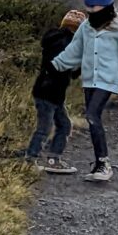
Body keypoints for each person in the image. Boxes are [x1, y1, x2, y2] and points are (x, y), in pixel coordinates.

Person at [53, 0, 118, 183]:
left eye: (94, 10)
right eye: (88, 10)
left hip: (109, 80)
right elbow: (74, 51)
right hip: (90, 80)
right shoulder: (86, 27)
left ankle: (104, 164)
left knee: (92, 114)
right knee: (92, 118)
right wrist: (54, 67)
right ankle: (99, 163)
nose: (90, 15)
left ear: (106, 8)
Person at [25, 9, 83, 169]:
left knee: (63, 125)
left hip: (51, 92)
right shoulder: (66, 43)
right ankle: (31, 161)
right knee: (45, 128)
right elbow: (62, 68)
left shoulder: (55, 39)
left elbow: (69, 72)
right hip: (49, 92)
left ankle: (53, 159)